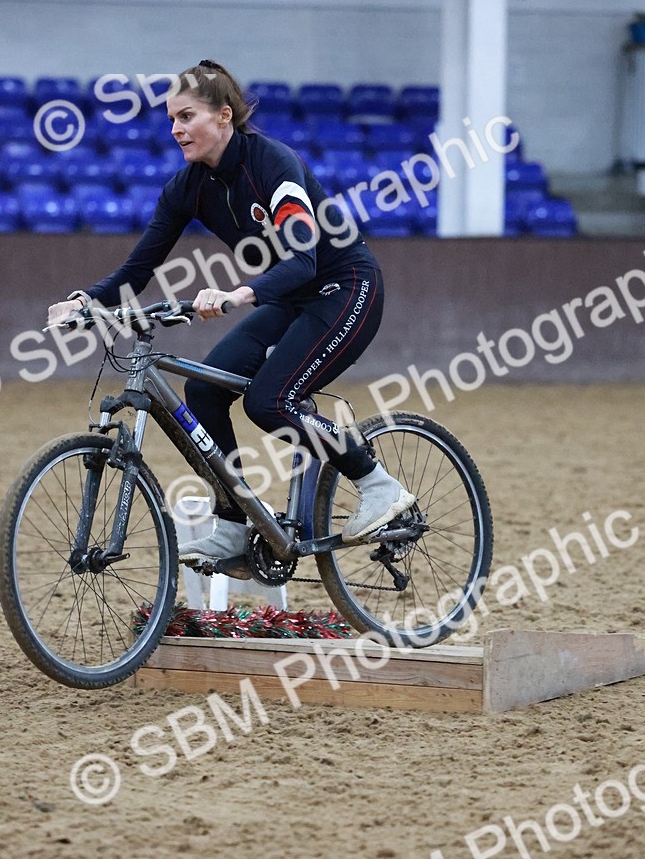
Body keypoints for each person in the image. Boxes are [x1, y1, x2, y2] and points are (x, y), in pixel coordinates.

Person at [48, 59, 415, 562]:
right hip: (290, 297)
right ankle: (233, 524)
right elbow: (139, 269)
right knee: (203, 389)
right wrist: (86, 301)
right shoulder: (187, 187)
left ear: (224, 116)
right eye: (171, 118)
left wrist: (240, 294)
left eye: (186, 116)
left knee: (269, 402)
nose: (175, 128)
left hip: (345, 287)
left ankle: (377, 484)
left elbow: (304, 259)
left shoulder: (273, 165)